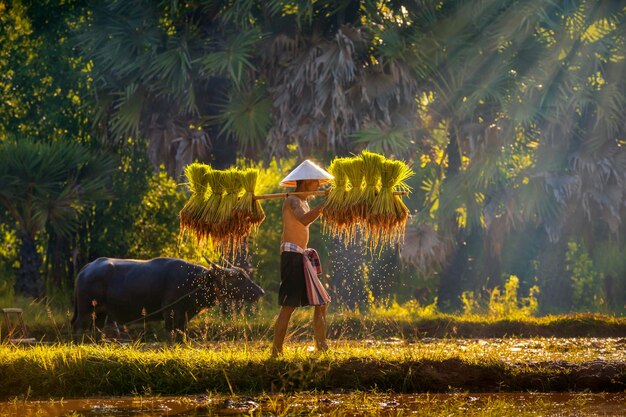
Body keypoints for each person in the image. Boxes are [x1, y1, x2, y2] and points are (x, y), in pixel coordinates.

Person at [271, 160, 333, 357]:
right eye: (316, 181)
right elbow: (304, 219)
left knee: (322, 303)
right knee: (288, 306)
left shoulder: (304, 201)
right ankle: (276, 352)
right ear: (306, 181)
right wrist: (324, 205)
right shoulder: (293, 200)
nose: (319, 185)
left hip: (301, 256)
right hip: (292, 257)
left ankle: (321, 348)